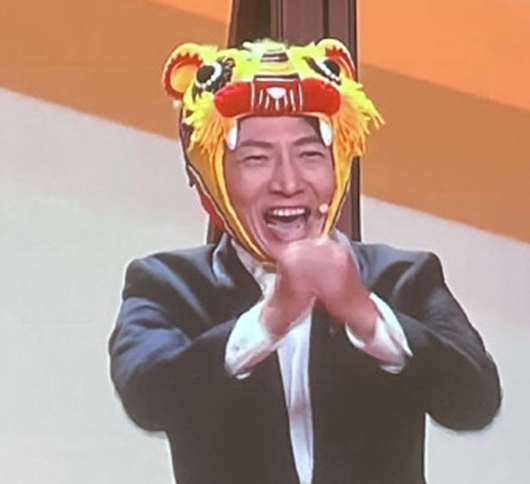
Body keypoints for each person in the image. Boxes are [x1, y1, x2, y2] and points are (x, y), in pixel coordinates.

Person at [108, 39, 501, 484]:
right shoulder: (165, 284)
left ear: (340, 164)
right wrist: (272, 319)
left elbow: (475, 402)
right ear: (209, 172)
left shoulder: (405, 277)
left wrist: (365, 315)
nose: (289, 182)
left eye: (311, 154)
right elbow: (148, 397)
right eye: (256, 158)